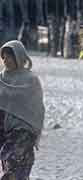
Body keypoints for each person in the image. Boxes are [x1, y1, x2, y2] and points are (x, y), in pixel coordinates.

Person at [0, 40, 45, 180]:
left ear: (18, 57)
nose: (5, 60)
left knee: (15, 164)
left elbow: (38, 109)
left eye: (9, 56)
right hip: (4, 132)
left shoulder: (31, 80)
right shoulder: (1, 78)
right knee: (9, 165)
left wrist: (33, 130)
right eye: (3, 57)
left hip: (24, 133)